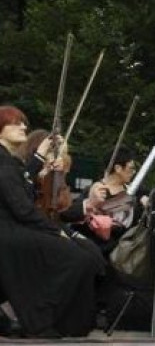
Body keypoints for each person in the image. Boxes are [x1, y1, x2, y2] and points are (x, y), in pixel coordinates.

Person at [0, 105, 104, 337]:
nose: (23, 127)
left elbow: (22, 187)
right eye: (15, 123)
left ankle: (52, 319)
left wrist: (39, 159)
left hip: (15, 228)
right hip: (9, 233)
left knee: (84, 256)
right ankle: (41, 318)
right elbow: (23, 208)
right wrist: (56, 232)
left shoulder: (8, 161)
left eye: (23, 122)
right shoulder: (3, 162)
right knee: (75, 258)